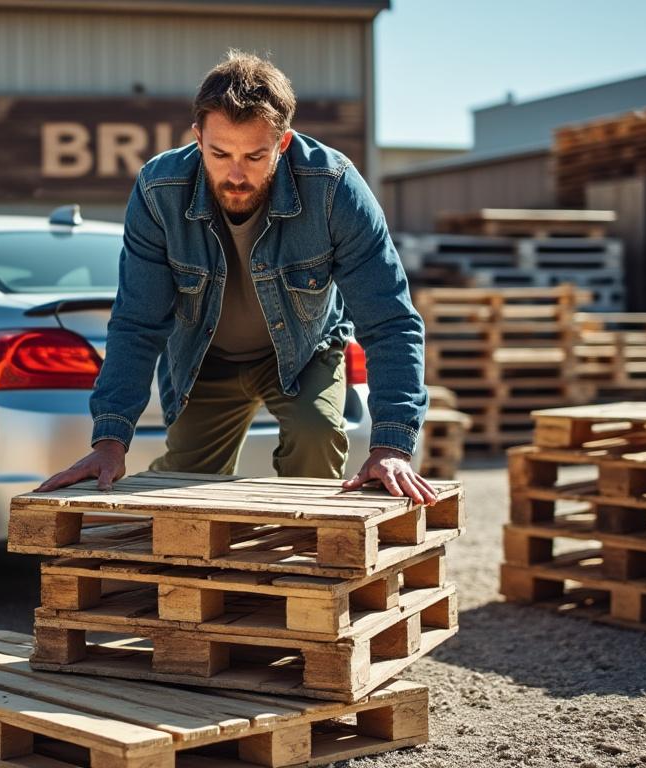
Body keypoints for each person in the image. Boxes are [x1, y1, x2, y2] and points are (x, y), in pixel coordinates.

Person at [36, 50, 436, 503]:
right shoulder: (158, 190)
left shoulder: (334, 187)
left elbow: (391, 321)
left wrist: (391, 445)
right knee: (184, 488)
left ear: (283, 144)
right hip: (205, 357)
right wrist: (109, 441)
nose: (236, 174)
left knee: (316, 437)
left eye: (255, 155)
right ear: (197, 137)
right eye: (220, 153)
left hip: (305, 352)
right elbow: (137, 322)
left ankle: (300, 562)